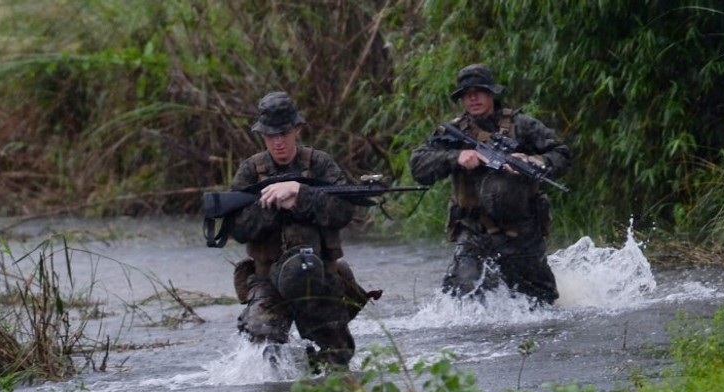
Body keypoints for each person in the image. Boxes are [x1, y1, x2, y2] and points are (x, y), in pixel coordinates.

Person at [228, 91, 379, 370]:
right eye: (271, 135)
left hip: (318, 275)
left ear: (297, 130)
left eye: (284, 133)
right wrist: (272, 204)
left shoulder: (320, 164)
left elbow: (344, 211)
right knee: (262, 341)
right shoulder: (250, 171)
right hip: (268, 279)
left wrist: (300, 194)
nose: (278, 142)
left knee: (337, 357)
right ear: (262, 136)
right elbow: (237, 228)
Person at [409, 64, 572, 306]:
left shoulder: (522, 125)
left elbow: (562, 154)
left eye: (479, 91)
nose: (473, 97)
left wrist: (533, 160)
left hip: (522, 232)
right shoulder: (452, 132)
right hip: (473, 229)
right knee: (460, 297)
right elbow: (418, 166)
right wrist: (457, 157)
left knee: (540, 304)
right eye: (467, 93)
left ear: (491, 93)